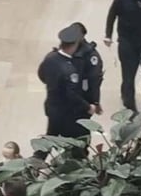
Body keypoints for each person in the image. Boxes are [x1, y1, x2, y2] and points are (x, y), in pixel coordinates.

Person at [35, 24, 96, 159]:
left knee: (49, 137)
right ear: (73, 45)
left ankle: (34, 163)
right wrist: (88, 106)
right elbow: (72, 94)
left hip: (52, 107)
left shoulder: (50, 57)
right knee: (80, 140)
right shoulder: (69, 69)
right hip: (68, 113)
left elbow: (41, 74)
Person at [71, 22, 104, 115]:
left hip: (82, 98)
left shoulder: (90, 55)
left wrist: (95, 101)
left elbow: (94, 79)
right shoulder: (65, 51)